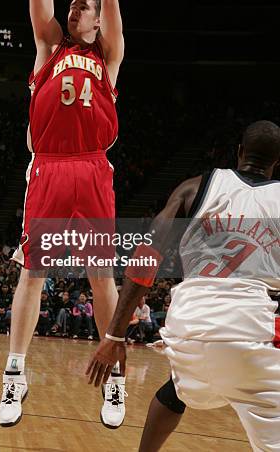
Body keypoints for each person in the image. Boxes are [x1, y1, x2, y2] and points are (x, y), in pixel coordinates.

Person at [0, 0, 125, 428]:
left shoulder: (108, 56)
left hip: (92, 167)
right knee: (32, 272)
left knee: (101, 276)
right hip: (49, 167)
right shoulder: (48, 48)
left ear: (96, 24)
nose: (76, 10)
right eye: (72, 6)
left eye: (83, 8)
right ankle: (14, 375)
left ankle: (114, 377)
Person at [86, 120, 280, 451]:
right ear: (277, 162)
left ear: (239, 153)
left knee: (180, 387)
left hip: (187, 323)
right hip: (249, 326)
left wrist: (114, 336)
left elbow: (144, 260)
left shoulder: (194, 187)